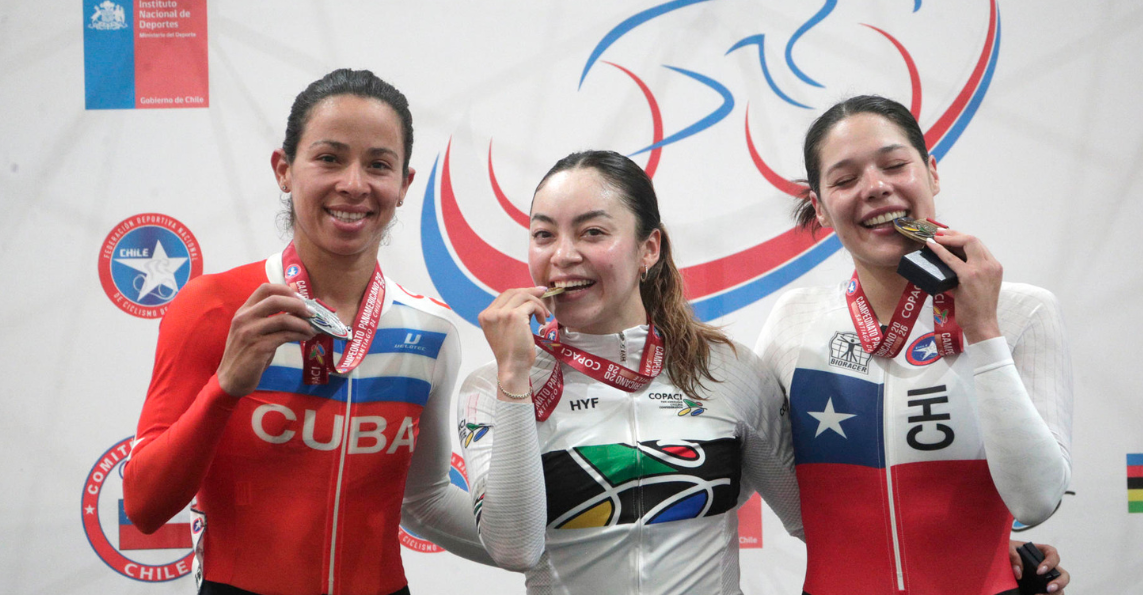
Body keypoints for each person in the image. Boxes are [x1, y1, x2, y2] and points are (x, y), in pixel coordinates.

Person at [123, 69, 487, 595]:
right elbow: (144, 506)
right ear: (284, 170)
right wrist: (226, 387)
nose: (354, 184)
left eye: (378, 165)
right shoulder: (215, 306)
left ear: (404, 186)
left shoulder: (429, 331)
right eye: (329, 158)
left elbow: (426, 499)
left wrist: (550, 548)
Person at [755, 95, 1073, 594]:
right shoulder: (793, 322)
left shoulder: (1023, 311)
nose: (876, 188)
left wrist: (984, 330)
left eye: (894, 165)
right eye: (844, 179)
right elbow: (802, 514)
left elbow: (1034, 500)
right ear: (819, 205)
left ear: (932, 172)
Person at [456, 150, 805, 594]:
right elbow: (513, 548)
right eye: (544, 234)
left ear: (649, 249)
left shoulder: (728, 370)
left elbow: (809, 519)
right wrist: (514, 381)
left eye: (593, 232)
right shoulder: (493, 387)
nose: (562, 255)